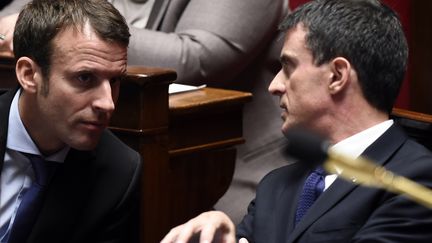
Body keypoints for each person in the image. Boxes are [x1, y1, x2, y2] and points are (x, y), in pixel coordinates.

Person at [160, 0, 432, 242]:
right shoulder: (276, 185)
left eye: (288, 67)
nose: (275, 85)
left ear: (337, 76)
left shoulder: (414, 180)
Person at [0, 0, 290, 223]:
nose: (107, 101)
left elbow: (195, 57)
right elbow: (14, 21)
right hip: (93, 139)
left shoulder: (121, 171)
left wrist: (69, 31)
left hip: (227, 163)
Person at [0, 0, 142, 242]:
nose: (108, 103)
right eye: (85, 77)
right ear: (28, 74)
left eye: (115, 81)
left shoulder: (118, 172)